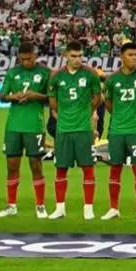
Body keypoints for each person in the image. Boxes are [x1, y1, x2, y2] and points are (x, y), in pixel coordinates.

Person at [0, 40, 51, 219]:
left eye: (29, 59)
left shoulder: (46, 73)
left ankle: (40, 206)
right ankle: (11, 205)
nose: (25, 62)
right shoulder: (13, 72)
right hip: (13, 126)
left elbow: (53, 98)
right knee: (12, 166)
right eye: (22, 59)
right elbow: (2, 96)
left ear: (35, 55)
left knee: (36, 165)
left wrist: (36, 95)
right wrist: (14, 96)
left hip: (34, 125)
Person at [102, 42, 136, 221]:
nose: (135, 58)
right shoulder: (112, 79)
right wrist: (118, 116)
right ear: (121, 57)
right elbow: (108, 103)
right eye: (131, 55)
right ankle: (113, 208)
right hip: (116, 131)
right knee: (114, 169)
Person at [47, 41, 101, 220]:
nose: (77, 59)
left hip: (84, 130)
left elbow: (97, 97)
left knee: (88, 168)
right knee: (61, 169)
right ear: (65, 56)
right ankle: (60, 208)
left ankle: (88, 208)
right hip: (63, 130)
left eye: (80, 56)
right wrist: (61, 115)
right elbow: (52, 100)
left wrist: (87, 112)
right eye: (73, 56)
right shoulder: (56, 76)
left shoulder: (90, 74)